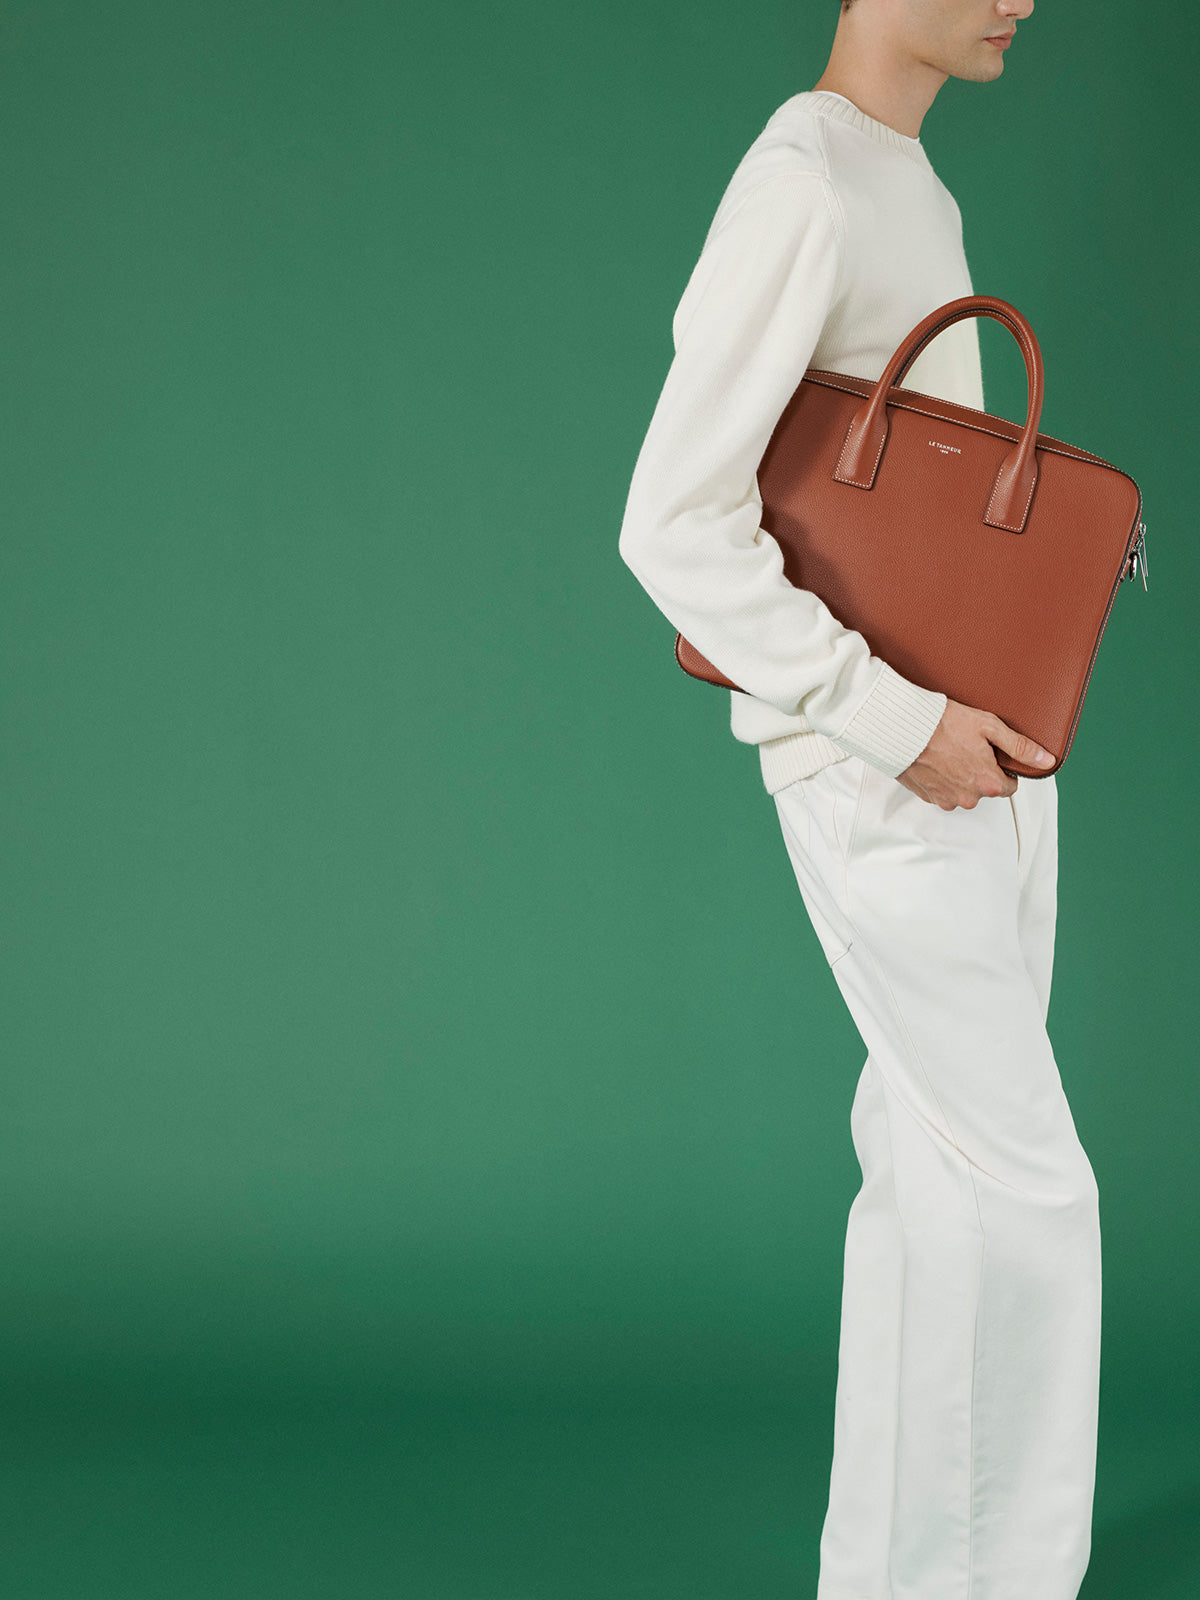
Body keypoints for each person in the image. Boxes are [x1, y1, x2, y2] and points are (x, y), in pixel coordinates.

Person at [616, 3, 1103, 1598]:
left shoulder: (903, 179)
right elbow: (672, 521)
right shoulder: (807, 184)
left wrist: (955, 725)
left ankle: (897, 1574)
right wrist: (898, 726)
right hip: (888, 758)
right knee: (1022, 1185)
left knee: (935, 1173)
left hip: (964, 741)